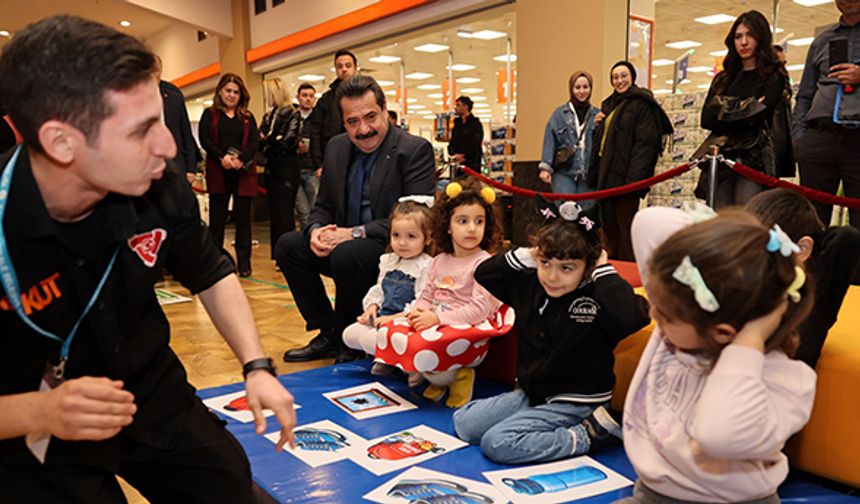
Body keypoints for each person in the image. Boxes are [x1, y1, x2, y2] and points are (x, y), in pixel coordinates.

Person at [0, 15, 295, 503]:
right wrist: (39, 413)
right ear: (61, 142)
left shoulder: (158, 182)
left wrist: (256, 364)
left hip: (148, 390)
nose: (169, 146)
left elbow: (209, 270)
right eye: (142, 130)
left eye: (163, 117)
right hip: (28, 427)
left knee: (234, 489)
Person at [622, 209, 815, 503]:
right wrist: (734, 244)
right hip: (652, 493)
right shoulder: (685, 318)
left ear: (722, 332)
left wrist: (749, 340)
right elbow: (648, 221)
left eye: (665, 314)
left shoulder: (786, 379)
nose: (654, 314)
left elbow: (718, 435)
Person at [454, 198, 650, 464]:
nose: (552, 277)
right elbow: (484, 275)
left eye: (566, 268)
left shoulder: (599, 296)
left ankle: (590, 434)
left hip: (577, 403)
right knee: (464, 423)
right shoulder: (531, 285)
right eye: (546, 263)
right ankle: (536, 421)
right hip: (533, 395)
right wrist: (529, 254)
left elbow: (632, 316)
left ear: (588, 267)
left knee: (497, 443)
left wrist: (603, 269)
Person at [276, 75, 436, 364]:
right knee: (289, 245)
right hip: (344, 244)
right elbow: (322, 206)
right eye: (353, 122)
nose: (363, 129)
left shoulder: (413, 150)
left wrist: (355, 233)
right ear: (343, 122)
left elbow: (419, 219)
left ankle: (351, 335)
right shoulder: (337, 147)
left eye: (371, 117)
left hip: (390, 247)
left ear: (385, 110)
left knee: (347, 254)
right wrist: (314, 230)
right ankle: (329, 331)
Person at [374, 181, 505, 408]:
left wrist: (437, 319)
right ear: (447, 226)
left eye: (479, 221)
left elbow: (479, 310)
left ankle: (459, 376)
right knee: (397, 333)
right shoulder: (439, 261)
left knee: (427, 350)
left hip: (467, 328)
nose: (472, 228)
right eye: (463, 221)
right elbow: (426, 295)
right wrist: (417, 314)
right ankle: (439, 377)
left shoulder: (485, 264)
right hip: (439, 321)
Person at [746, 189, 860, 368]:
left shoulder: (814, 298)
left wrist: (801, 250)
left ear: (803, 248)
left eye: (766, 244)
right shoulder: (747, 289)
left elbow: (846, 238)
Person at [696, 10, 789, 208]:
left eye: (750, 35)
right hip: (722, 158)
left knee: (748, 220)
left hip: (754, 158)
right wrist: (749, 107)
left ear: (761, 38)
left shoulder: (773, 76)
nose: (743, 42)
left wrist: (725, 110)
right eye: (738, 36)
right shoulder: (723, 79)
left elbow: (760, 116)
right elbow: (707, 120)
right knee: (721, 222)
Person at [589, 61, 672, 261]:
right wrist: (598, 126)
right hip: (607, 179)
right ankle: (613, 271)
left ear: (632, 77)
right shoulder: (609, 105)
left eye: (623, 75)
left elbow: (645, 146)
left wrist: (634, 182)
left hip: (627, 180)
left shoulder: (642, 103)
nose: (619, 80)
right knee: (609, 233)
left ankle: (629, 277)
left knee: (627, 233)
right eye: (615, 77)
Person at [342, 196, 433, 375]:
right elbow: (379, 289)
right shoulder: (388, 261)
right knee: (349, 335)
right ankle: (389, 357)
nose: (402, 242)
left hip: (406, 321)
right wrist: (372, 307)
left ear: (428, 238)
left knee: (370, 339)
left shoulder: (426, 266)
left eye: (411, 236)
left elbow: (422, 303)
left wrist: (393, 319)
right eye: (396, 235)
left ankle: (402, 362)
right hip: (384, 317)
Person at [792, 0, 860, 228]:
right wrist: (799, 140)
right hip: (817, 140)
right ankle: (812, 264)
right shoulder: (822, 40)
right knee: (811, 220)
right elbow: (805, 94)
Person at [199, 74, 259, 277]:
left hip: (242, 173)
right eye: (228, 91)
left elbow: (254, 142)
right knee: (217, 220)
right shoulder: (210, 114)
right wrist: (220, 157)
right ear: (220, 92)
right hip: (219, 172)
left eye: (235, 92)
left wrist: (241, 159)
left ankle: (244, 264)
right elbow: (204, 139)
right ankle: (216, 263)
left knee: (243, 221)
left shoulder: (248, 117)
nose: (231, 95)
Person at [539, 71, 601, 209]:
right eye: (577, 87)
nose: (582, 91)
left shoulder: (597, 114)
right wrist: (545, 168)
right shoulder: (559, 114)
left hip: (588, 175)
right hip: (564, 173)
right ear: (571, 89)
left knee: (586, 217)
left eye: (586, 87)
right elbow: (550, 140)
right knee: (566, 213)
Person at [259, 78, 300, 258]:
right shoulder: (268, 116)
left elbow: (287, 142)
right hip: (272, 169)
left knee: (285, 214)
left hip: (287, 170)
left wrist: (271, 140)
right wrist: (272, 139)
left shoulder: (293, 113)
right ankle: (277, 253)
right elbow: (260, 142)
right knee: (275, 214)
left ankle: (286, 254)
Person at [308, 49, 358, 174]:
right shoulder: (326, 100)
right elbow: (314, 132)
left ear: (355, 68)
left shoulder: (366, 95)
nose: (344, 69)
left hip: (362, 157)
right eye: (339, 66)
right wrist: (318, 164)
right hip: (333, 159)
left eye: (348, 65)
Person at [156, 56, 200, 184]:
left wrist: (190, 168)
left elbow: (186, 133)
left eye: (156, 69)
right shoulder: (133, 98)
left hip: (175, 164)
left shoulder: (174, 97)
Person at [293, 83, 320, 229]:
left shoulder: (318, 119)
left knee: (316, 208)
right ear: (298, 97)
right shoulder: (292, 117)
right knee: (303, 211)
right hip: (295, 169)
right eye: (304, 96)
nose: (308, 99)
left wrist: (320, 165)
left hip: (313, 170)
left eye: (311, 96)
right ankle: (307, 240)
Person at [447, 96, 484, 171]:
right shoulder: (457, 124)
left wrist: (463, 156)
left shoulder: (476, 124)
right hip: (457, 166)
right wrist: (454, 154)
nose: (455, 108)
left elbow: (475, 144)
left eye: (458, 105)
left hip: (471, 166)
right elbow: (452, 142)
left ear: (465, 107)